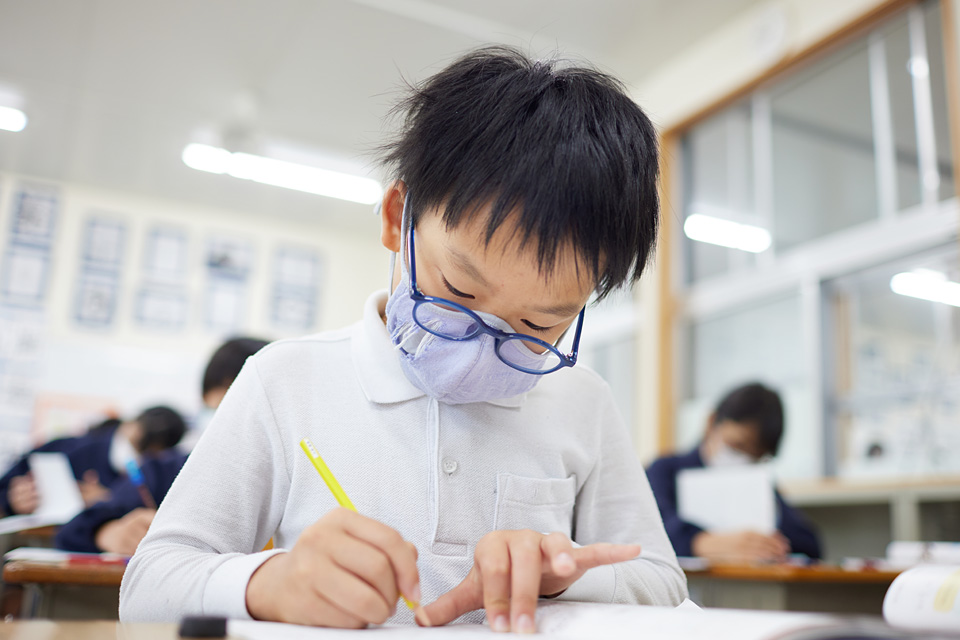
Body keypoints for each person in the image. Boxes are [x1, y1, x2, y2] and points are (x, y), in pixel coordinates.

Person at [120, 46, 687, 631]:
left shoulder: (582, 401)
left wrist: (565, 573)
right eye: (458, 290)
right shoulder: (284, 380)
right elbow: (149, 584)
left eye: (539, 325)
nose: (482, 345)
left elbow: (662, 581)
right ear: (397, 219)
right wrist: (269, 583)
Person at [55, 337, 270, 554]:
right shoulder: (167, 472)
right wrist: (109, 532)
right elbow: (72, 531)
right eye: (217, 412)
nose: (230, 428)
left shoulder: (288, 483)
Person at [646, 382, 822, 563]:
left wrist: (771, 544)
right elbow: (647, 532)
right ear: (712, 422)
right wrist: (701, 543)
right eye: (737, 445)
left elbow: (809, 545)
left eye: (756, 457)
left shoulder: (759, 483)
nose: (743, 459)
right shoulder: (664, 471)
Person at [0, 406, 186, 517]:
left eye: (147, 452)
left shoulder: (157, 478)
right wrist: (13, 499)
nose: (133, 455)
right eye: (136, 442)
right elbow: (5, 488)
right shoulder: (68, 448)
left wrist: (112, 502)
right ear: (130, 424)